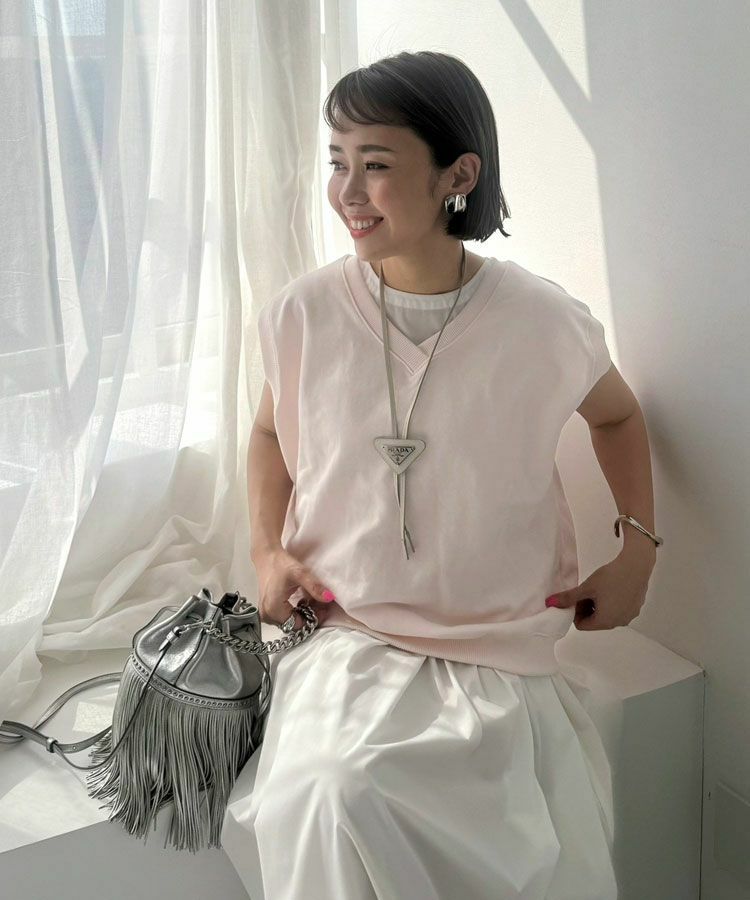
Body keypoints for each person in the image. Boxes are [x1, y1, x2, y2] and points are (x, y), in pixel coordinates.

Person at [223, 50, 661, 900]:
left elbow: (617, 415)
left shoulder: (541, 321)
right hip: (350, 634)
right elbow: (269, 433)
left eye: (376, 165)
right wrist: (267, 552)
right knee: (337, 791)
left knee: (506, 844)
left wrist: (638, 550)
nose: (348, 191)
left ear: (458, 175)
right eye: (337, 162)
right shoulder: (303, 314)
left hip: (499, 644)